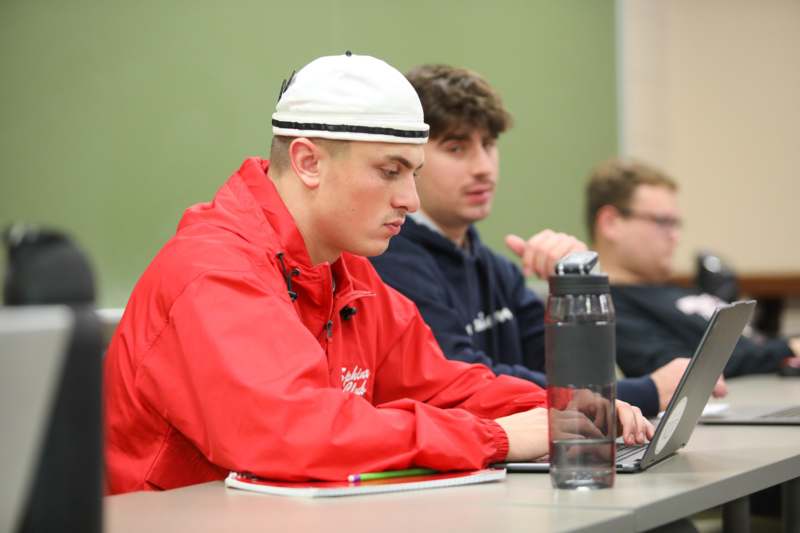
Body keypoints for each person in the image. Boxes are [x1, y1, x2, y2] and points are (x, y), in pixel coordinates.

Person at [103, 54, 653, 495]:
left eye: (412, 172)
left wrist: (558, 404)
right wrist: (497, 437)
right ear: (308, 162)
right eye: (389, 171)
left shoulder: (348, 273)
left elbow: (443, 385)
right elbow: (298, 434)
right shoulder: (214, 272)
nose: (410, 200)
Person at [369, 64, 713, 419]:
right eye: (456, 148)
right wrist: (645, 392)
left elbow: (577, 378)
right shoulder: (390, 262)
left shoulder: (494, 266)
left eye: (488, 145)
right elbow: (461, 384)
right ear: (413, 158)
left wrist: (577, 290)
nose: (483, 167)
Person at [586, 158, 800, 378]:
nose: (675, 237)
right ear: (611, 223)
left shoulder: (671, 290)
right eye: (662, 222)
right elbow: (681, 371)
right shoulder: (604, 307)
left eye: (676, 224)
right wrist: (787, 349)